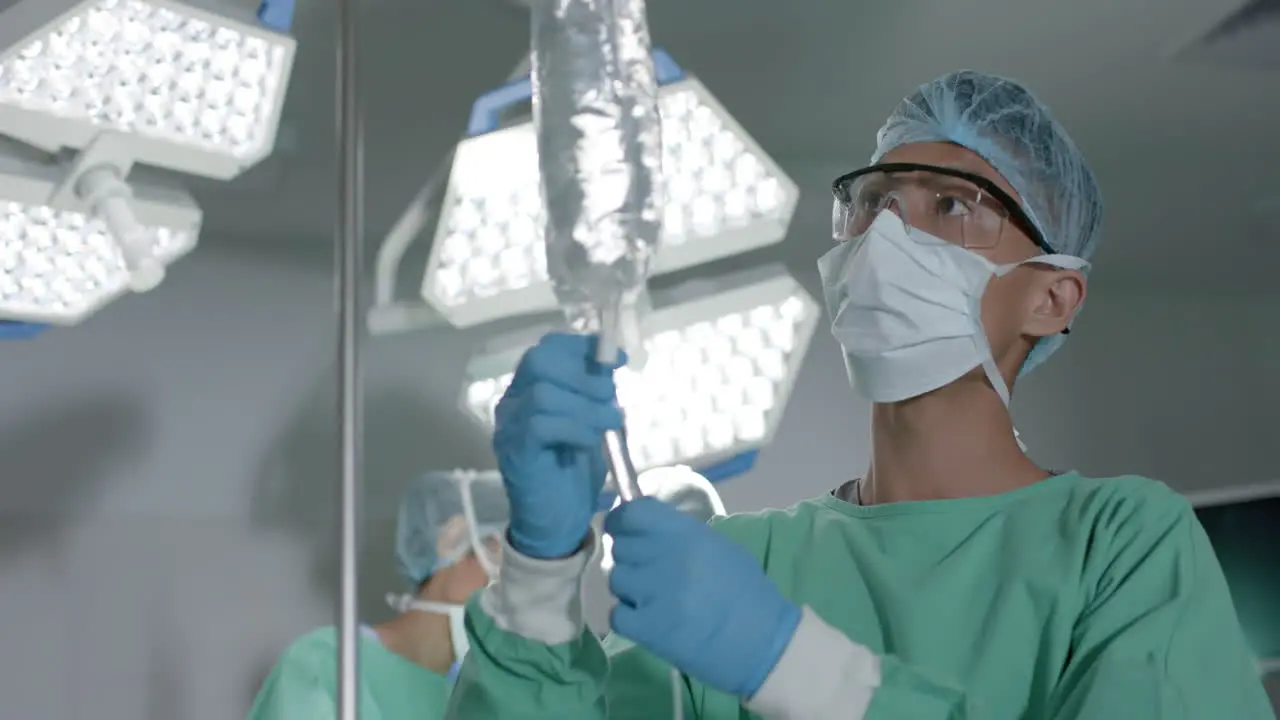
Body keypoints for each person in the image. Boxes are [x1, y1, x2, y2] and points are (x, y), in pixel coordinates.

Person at [443, 70, 1276, 720]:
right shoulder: (745, 564)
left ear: (1051, 297)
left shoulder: (1119, 544)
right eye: (872, 201)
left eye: (952, 205)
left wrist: (790, 663)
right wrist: (539, 572)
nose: (887, 235)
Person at [249, 470, 507, 720]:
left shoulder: (492, 693)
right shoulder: (327, 664)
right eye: (502, 557)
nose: (515, 586)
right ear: (452, 539)